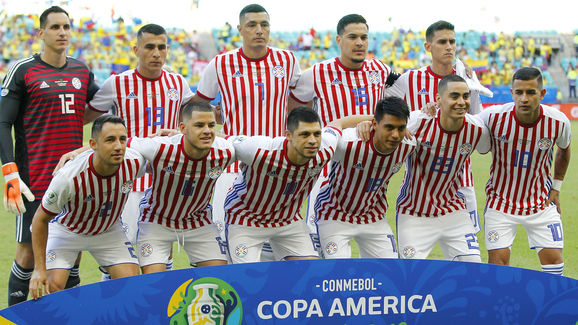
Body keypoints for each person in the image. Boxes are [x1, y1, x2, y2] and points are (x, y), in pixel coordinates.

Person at [0, 6, 101, 305]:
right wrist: (9, 171)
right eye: (55, 27)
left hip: (74, 180)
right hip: (34, 179)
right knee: (29, 252)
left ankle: (66, 317)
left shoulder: (82, 71)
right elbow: (3, 121)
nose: (62, 32)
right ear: (41, 33)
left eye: (66, 27)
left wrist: (88, 145)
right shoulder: (23, 70)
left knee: (72, 254)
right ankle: (14, 318)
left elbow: (103, 109)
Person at [192, 4, 300, 256]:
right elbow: (199, 106)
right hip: (232, 163)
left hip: (277, 163)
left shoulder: (287, 60)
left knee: (277, 241)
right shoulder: (220, 64)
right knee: (225, 238)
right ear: (240, 29)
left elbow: (298, 102)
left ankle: (271, 294)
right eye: (252, 25)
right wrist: (214, 120)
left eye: (264, 24)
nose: (259, 30)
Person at [288, 14, 398, 248]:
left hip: (370, 168)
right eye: (353, 37)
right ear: (339, 39)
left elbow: (409, 86)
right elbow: (293, 108)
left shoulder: (379, 69)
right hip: (328, 166)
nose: (359, 42)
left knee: (373, 233)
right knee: (317, 238)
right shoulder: (317, 73)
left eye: (364, 37)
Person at [87, 23, 194, 250]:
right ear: (136, 50)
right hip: (129, 179)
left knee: (162, 250)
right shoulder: (116, 83)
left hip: (168, 179)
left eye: (162, 47)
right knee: (123, 246)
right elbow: (86, 116)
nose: (156, 53)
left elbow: (194, 121)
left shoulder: (178, 83)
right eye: (149, 47)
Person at [224, 107, 372, 263]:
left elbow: (339, 123)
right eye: (304, 134)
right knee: (245, 280)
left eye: (317, 133)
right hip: (246, 219)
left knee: (310, 273)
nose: (313, 140)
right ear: (288, 135)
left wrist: (374, 121)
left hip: (288, 220)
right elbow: (224, 141)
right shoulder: (260, 149)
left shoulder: (325, 148)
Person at [386, 20, 489, 233]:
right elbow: (385, 105)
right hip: (418, 179)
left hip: (461, 178)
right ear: (428, 47)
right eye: (442, 41)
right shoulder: (410, 79)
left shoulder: (466, 78)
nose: (449, 46)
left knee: (465, 245)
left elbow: (477, 121)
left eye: (452, 41)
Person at [28, 115, 145, 300]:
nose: (118, 146)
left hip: (108, 230)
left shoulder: (134, 161)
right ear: (93, 144)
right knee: (51, 286)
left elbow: (160, 153)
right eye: (110, 140)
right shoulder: (69, 176)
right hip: (68, 231)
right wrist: (39, 269)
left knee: (132, 285)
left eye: (122, 139)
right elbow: (40, 219)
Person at [479, 67, 571, 275]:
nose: (524, 98)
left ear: (542, 94)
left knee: (554, 269)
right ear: (511, 93)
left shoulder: (558, 121)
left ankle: (550, 308)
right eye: (519, 92)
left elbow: (564, 150)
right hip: (500, 203)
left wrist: (556, 187)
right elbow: (465, 123)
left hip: (541, 202)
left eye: (531, 92)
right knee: (498, 270)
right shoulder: (493, 117)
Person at [129, 101, 232, 273]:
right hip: (157, 219)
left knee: (220, 277)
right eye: (199, 125)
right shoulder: (160, 147)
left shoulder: (226, 150)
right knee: (153, 284)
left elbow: (250, 143)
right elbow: (119, 143)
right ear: (183, 128)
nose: (207, 130)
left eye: (211, 125)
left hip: (198, 221)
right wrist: (77, 153)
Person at [396, 75, 490, 262]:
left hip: (453, 212)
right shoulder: (418, 122)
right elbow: (385, 129)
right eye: (454, 96)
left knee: (473, 269)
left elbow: (486, 147)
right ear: (438, 99)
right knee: (410, 275)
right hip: (414, 213)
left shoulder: (477, 129)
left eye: (465, 96)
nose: (461, 102)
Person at [315, 97, 415, 258]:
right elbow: (332, 128)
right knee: (336, 271)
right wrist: (365, 119)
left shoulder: (408, 145)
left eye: (401, 128)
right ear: (375, 124)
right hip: (334, 214)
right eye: (389, 127)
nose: (396, 135)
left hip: (373, 217)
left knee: (389, 272)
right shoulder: (348, 142)